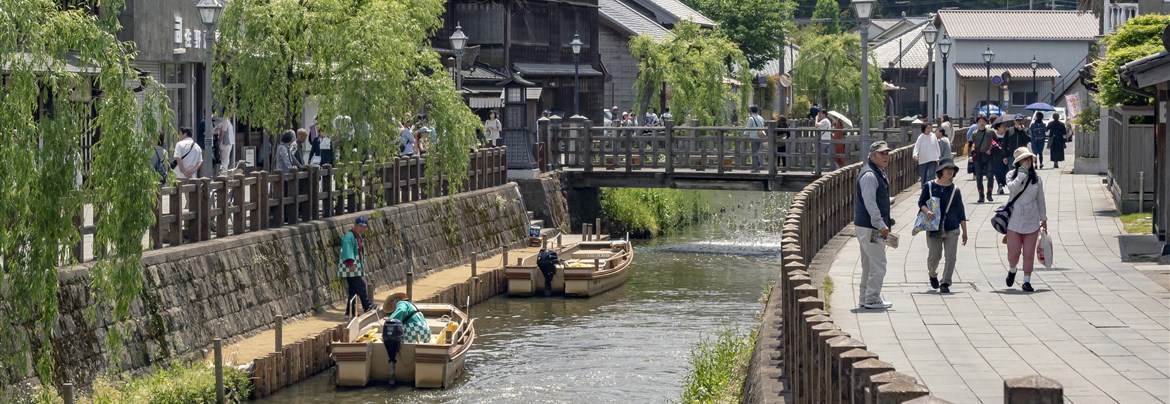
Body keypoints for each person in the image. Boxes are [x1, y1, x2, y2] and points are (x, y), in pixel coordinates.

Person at [918, 159, 968, 294]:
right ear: (941, 171)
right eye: (947, 169)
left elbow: (961, 211)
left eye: (952, 169)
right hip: (934, 226)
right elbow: (921, 202)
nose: (950, 171)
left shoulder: (955, 190)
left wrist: (964, 231)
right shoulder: (929, 186)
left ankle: (945, 282)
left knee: (951, 257)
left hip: (952, 226)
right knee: (934, 256)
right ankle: (932, 273)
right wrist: (927, 211)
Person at [856, 141, 894, 309]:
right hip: (871, 226)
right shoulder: (870, 175)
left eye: (887, 153)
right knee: (879, 263)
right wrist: (880, 223)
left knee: (869, 264)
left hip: (866, 225)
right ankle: (872, 298)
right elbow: (870, 202)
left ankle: (865, 297)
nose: (885, 156)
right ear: (872, 156)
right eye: (881, 153)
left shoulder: (877, 171)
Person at [1004, 147, 1048, 292]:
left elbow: (1040, 200)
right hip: (1014, 220)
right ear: (1018, 162)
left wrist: (1044, 219)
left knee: (1028, 253)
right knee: (1014, 252)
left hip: (1032, 219)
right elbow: (1012, 189)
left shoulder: (1037, 179)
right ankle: (1012, 269)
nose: (1027, 162)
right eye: (1024, 160)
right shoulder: (1011, 175)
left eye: (1028, 159)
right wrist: (1021, 175)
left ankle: (1026, 280)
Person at [339, 217, 373, 317]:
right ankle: (367, 306)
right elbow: (347, 249)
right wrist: (350, 263)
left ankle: (350, 312)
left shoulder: (357, 236)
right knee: (361, 285)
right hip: (350, 268)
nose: (362, 229)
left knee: (353, 290)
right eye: (360, 226)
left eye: (364, 227)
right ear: (355, 225)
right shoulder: (349, 237)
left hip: (354, 268)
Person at [969, 116, 996, 203]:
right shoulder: (974, 133)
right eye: (980, 121)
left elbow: (997, 143)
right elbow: (970, 145)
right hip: (978, 157)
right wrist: (971, 155)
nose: (981, 123)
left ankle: (989, 193)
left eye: (983, 121)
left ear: (986, 122)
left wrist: (991, 149)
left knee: (990, 175)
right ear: (977, 123)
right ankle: (981, 196)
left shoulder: (991, 132)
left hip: (989, 156)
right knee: (979, 176)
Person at [744, 105, 765, 171]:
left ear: (751, 111)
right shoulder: (761, 118)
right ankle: (758, 166)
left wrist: (744, 135)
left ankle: (756, 167)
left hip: (754, 137)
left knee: (754, 152)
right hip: (760, 137)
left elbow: (747, 129)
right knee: (757, 152)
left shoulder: (751, 118)